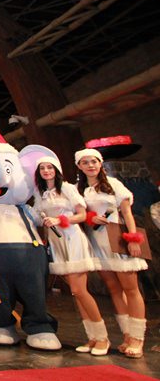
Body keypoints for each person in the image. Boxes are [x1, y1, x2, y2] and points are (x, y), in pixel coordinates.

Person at [76, 148, 147, 359]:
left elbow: (127, 213)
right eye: (86, 162)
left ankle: (137, 338)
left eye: (94, 161)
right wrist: (90, 217)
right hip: (97, 242)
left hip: (117, 237)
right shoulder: (79, 190)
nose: (91, 165)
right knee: (114, 288)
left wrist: (133, 239)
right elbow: (79, 214)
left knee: (131, 288)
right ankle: (126, 335)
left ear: (100, 163)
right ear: (79, 166)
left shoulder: (113, 185)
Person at [32, 155, 107, 355]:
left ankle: (102, 338)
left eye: (50, 167)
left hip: (72, 239)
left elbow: (82, 215)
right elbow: (38, 216)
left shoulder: (67, 188)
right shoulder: (41, 193)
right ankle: (92, 338)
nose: (46, 171)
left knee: (79, 289)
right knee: (75, 293)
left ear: (56, 169)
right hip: (56, 243)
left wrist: (60, 220)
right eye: (42, 168)